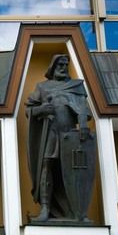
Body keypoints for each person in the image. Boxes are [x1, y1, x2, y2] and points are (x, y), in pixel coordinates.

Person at [25, 54, 94, 223]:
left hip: (71, 135)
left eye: (66, 65)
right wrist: (41, 109)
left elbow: (83, 109)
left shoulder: (76, 86)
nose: (64, 68)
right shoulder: (42, 87)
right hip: (52, 133)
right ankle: (45, 209)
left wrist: (83, 122)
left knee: (73, 172)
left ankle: (78, 212)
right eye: (60, 65)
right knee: (47, 167)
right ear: (53, 68)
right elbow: (29, 111)